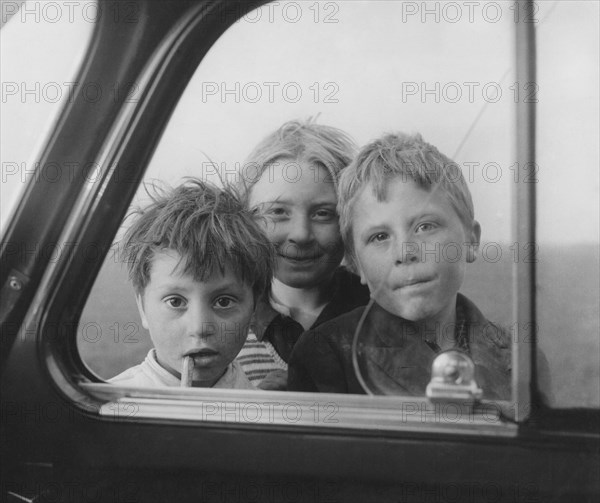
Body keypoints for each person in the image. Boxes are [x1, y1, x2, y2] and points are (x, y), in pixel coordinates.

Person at [288, 132, 512, 400]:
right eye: (379, 237)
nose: (405, 252)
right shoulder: (327, 354)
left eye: (425, 226)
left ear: (471, 240)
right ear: (355, 263)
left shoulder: (519, 358)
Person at [234, 119, 370, 390]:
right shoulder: (224, 323)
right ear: (247, 219)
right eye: (277, 212)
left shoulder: (384, 317)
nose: (301, 234)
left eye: (323, 213)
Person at [110, 179, 273, 389]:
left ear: (254, 307)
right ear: (142, 307)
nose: (199, 328)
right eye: (176, 302)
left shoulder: (268, 415)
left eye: (223, 302)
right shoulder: (106, 411)